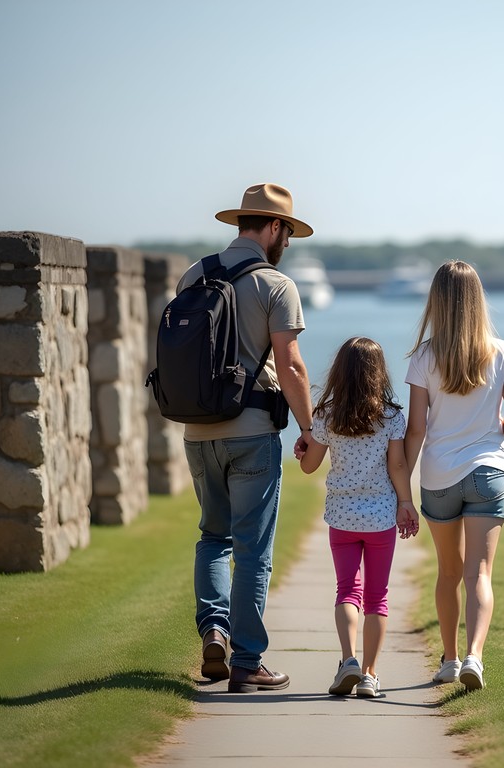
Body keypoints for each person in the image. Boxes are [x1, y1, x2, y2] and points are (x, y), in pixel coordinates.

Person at [180, 183, 317, 693]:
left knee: (212, 537)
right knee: (253, 550)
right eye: (288, 232)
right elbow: (292, 366)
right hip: (254, 432)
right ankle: (246, 662)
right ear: (275, 227)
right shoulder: (275, 285)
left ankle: (213, 629)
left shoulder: (195, 274)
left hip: (197, 432)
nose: (288, 243)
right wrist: (310, 430)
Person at [404, 260, 504, 690]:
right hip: (489, 471)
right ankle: (475, 656)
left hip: (439, 477)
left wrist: (401, 484)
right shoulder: (502, 351)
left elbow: (416, 429)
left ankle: (451, 660)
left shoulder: (424, 356)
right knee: (480, 574)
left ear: (437, 301)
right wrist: (494, 432)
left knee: (448, 573)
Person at [298, 337, 420, 698]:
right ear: (378, 373)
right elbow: (397, 465)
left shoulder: (326, 415)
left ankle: (348, 660)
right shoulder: (391, 417)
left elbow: (309, 466)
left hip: (342, 518)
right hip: (381, 518)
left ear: (340, 372)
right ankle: (370, 674)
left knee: (347, 591)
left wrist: (303, 447)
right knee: (377, 597)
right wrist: (406, 503)